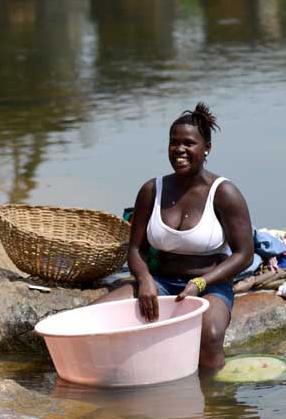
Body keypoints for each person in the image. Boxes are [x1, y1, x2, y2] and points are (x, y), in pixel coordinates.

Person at [92, 104, 254, 371]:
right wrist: (144, 280)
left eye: (189, 143)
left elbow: (243, 255)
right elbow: (135, 249)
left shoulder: (224, 193)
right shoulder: (151, 190)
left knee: (210, 335)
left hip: (210, 285)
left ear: (207, 148)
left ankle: (214, 404)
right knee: (94, 318)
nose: (179, 150)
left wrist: (200, 283)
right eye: (173, 143)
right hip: (160, 282)